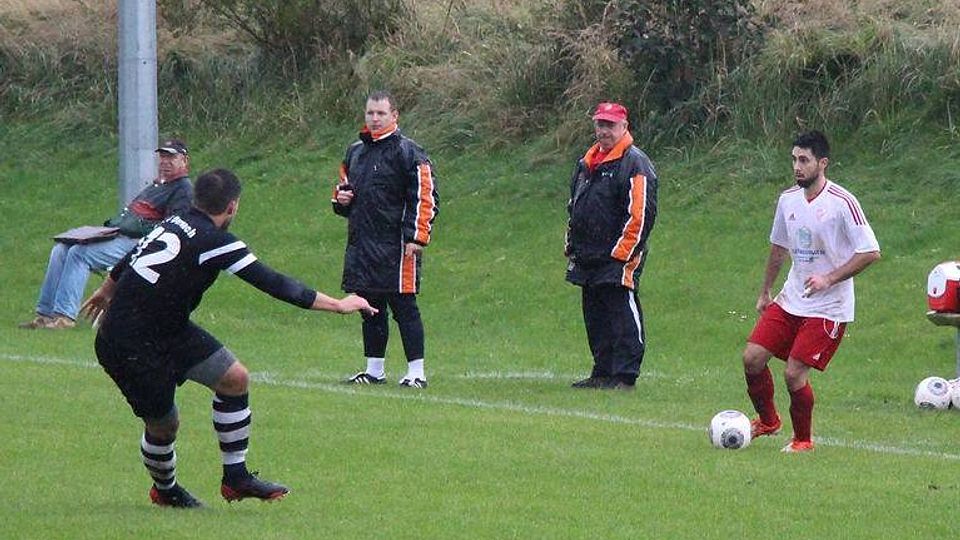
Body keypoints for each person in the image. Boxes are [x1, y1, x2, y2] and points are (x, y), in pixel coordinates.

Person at [81, 168, 376, 508]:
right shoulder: (216, 241)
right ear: (232, 206)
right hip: (127, 342)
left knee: (234, 378)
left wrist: (106, 289)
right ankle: (166, 490)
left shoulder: (174, 221)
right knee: (164, 424)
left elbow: (131, 256)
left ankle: (236, 478)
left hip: (167, 329)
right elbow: (274, 283)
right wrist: (339, 305)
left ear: (196, 199)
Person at [743, 130, 880, 453]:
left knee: (793, 374)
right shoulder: (787, 200)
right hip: (792, 299)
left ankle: (803, 440)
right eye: (794, 159)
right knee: (752, 358)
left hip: (829, 307)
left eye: (804, 160)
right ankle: (768, 420)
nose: (797, 166)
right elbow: (779, 247)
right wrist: (765, 292)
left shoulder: (843, 202)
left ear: (823, 163)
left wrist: (830, 278)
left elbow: (870, 251)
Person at [19, 138, 194, 329]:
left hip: (139, 244)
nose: (165, 162)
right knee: (61, 249)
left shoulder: (183, 189)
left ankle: (64, 317)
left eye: (171, 157)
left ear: (184, 161)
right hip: (119, 236)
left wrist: (140, 231)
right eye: (163, 157)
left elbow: (172, 229)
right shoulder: (158, 185)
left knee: (79, 253)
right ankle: (44, 315)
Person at [332, 90, 439, 388]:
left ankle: (416, 372)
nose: (375, 119)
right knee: (369, 308)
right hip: (363, 245)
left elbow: (425, 197)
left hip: (398, 246)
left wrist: (416, 237)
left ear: (395, 116)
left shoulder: (409, 152)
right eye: (370, 113)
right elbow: (342, 191)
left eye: (381, 113)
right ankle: (374, 370)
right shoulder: (355, 152)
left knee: (405, 307)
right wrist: (341, 199)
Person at [565, 102, 658, 391]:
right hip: (587, 254)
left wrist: (623, 252)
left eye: (610, 125)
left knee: (621, 312)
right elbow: (574, 206)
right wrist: (572, 243)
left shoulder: (635, 162)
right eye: (600, 124)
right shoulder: (587, 162)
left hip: (618, 255)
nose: (604, 130)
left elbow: (640, 213)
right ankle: (602, 371)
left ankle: (625, 375)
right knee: (595, 314)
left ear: (624, 127)